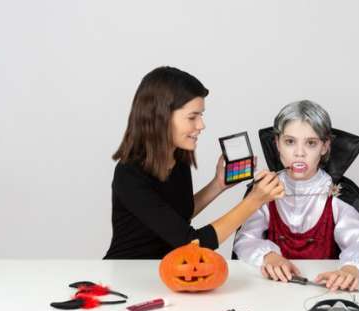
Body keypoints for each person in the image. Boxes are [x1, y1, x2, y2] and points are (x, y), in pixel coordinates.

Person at [104, 66, 284, 259]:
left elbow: (176, 218)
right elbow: (192, 243)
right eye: (192, 117)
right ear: (161, 118)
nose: (201, 125)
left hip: (167, 271)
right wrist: (254, 200)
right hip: (127, 272)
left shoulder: (178, 159)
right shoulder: (129, 174)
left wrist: (217, 185)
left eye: (201, 115)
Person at [233, 100, 359, 292]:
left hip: (324, 288)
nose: (299, 153)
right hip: (273, 290)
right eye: (290, 142)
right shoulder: (265, 190)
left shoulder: (337, 195)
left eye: (311, 143)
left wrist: (351, 268)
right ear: (277, 144)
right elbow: (245, 239)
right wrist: (268, 256)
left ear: (325, 146)